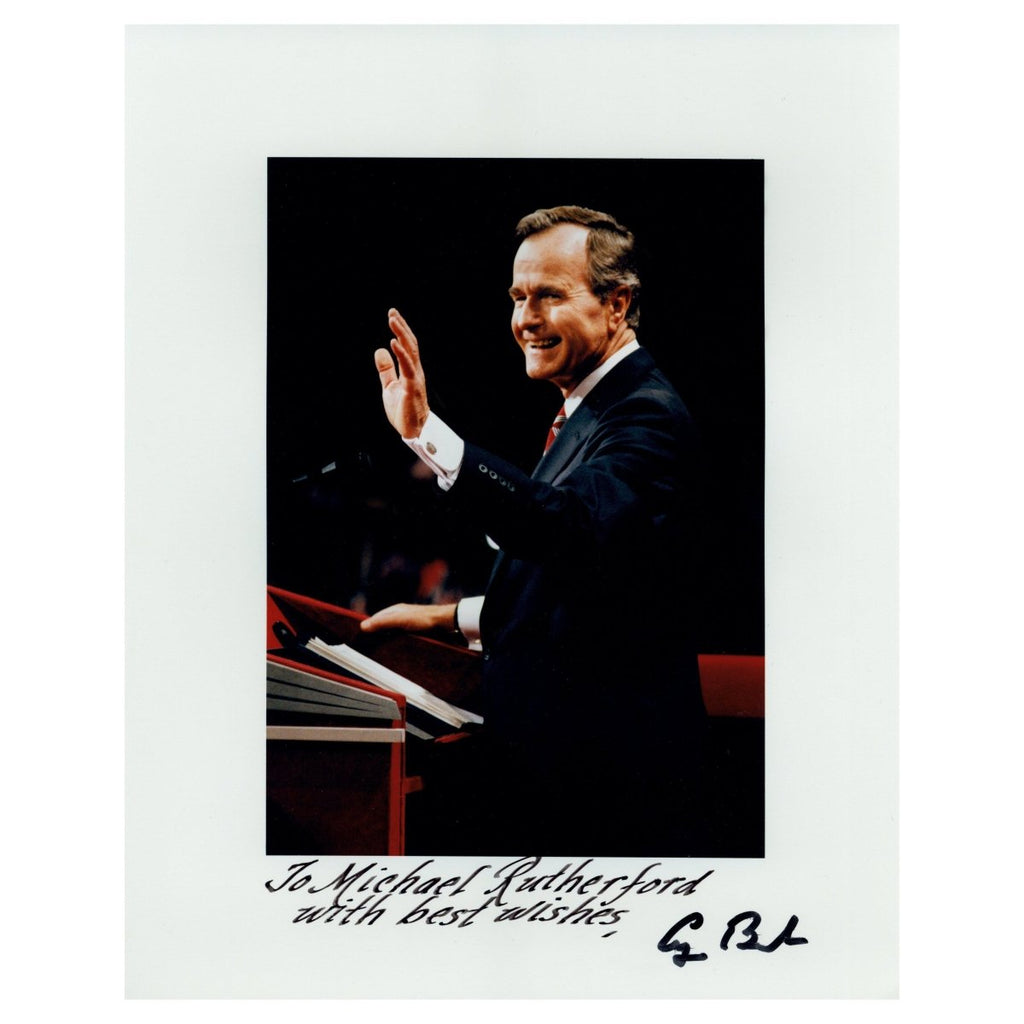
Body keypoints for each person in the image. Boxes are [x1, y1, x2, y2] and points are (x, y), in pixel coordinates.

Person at [361, 206, 707, 855]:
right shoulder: (593, 408)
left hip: (608, 794)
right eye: (518, 297)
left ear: (617, 303)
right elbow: (586, 584)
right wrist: (447, 619)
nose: (524, 319)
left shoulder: (646, 417)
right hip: (565, 778)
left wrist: (424, 434)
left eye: (549, 295)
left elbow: (564, 528)